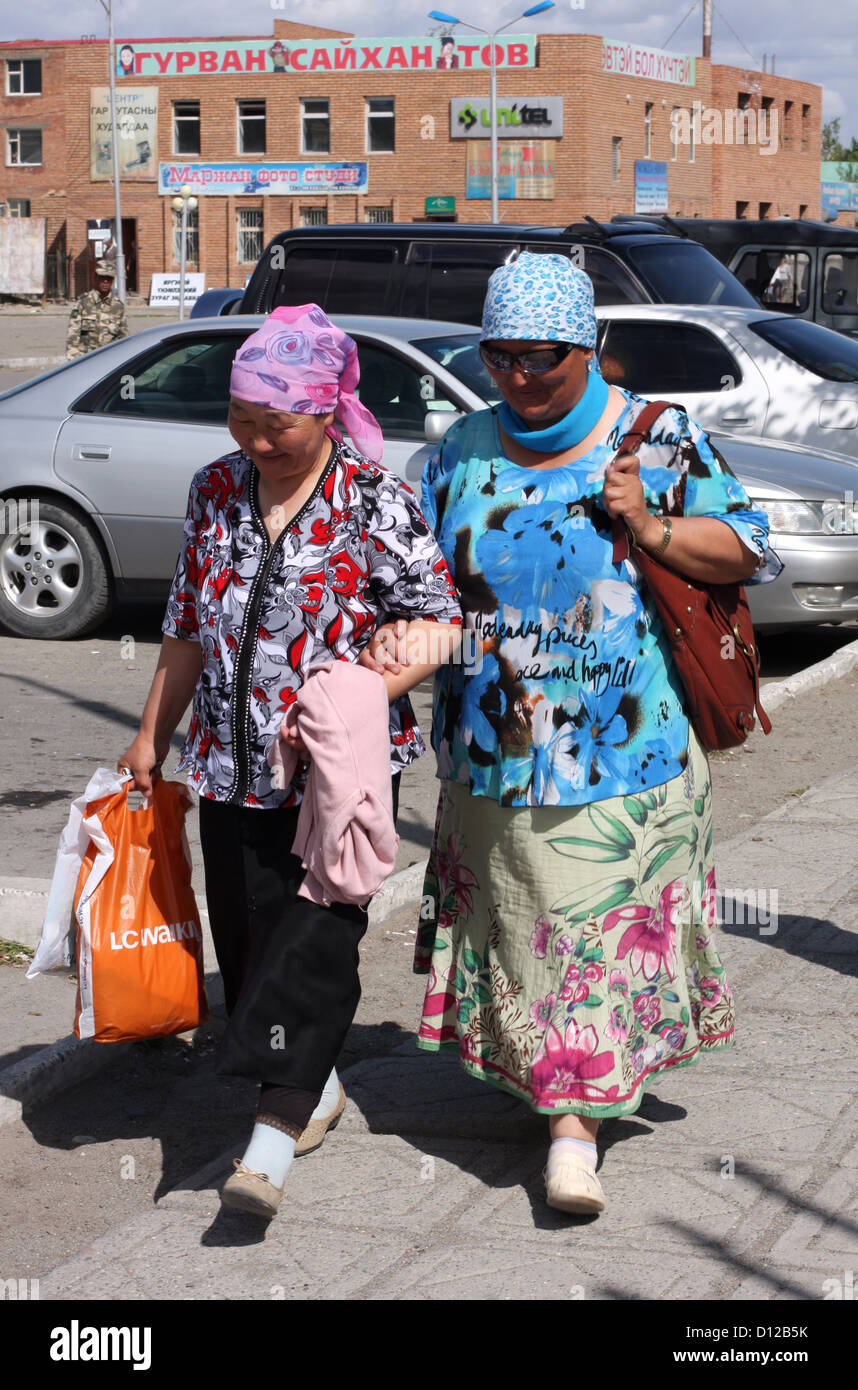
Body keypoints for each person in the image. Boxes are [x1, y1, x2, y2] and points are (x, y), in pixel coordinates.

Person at [369, 253, 773, 1217]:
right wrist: (363, 683)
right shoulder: (459, 449)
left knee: (588, 939)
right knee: (521, 937)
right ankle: (550, 1090)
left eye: (540, 357)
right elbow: (430, 596)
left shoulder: (652, 436)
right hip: (491, 749)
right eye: (498, 355)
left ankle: (571, 1134)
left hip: (624, 754)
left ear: (592, 346)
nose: (516, 376)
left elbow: (749, 546)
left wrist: (654, 525)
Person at [119, 304, 462, 1220]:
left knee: (312, 942)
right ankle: (318, 1079)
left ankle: (270, 1140)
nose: (258, 438)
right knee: (250, 943)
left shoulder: (372, 497)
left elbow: (438, 623)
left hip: (334, 772)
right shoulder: (216, 489)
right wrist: (155, 733)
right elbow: (189, 622)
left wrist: (351, 699)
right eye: (243, 417)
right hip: (228, 769)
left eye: (278, 420)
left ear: (325, 407)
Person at [66, 261, 128, 361]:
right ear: (95, 278)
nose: (105, 281)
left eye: (109, 278)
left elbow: (123, 338)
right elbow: (73, 335)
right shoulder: (83, 303)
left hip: (109, 360)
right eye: (102, 277)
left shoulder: (117, 306)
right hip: (86, 359)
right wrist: (73, 362)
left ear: (112, 281)